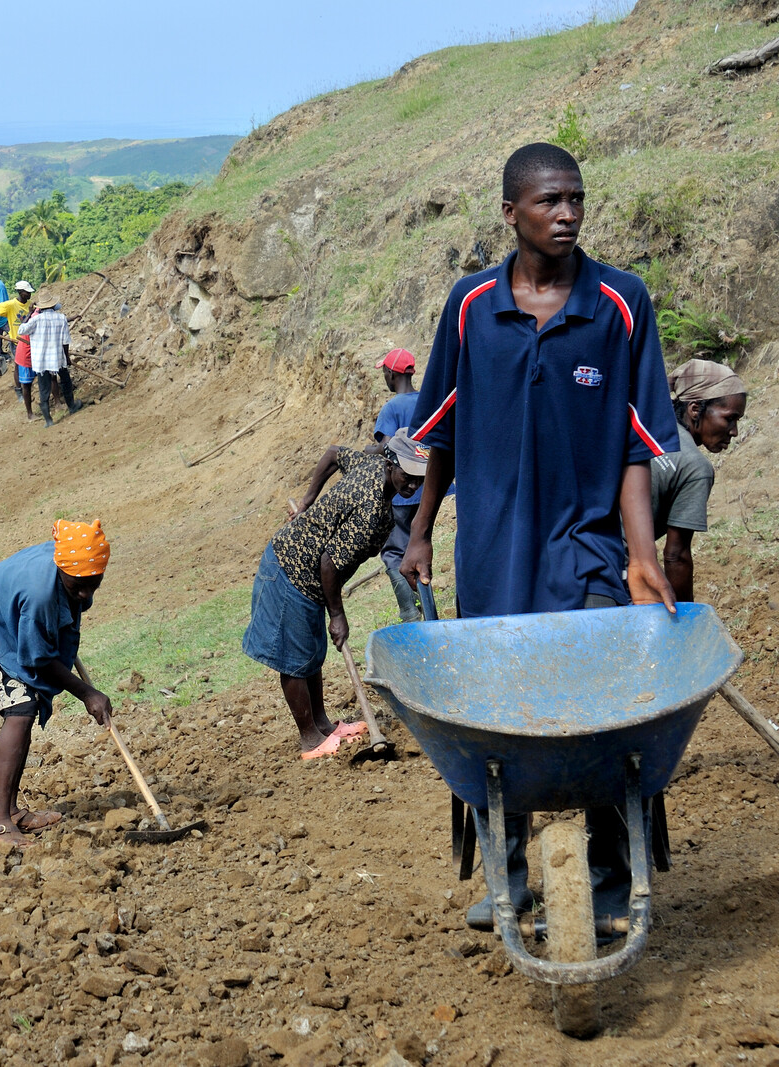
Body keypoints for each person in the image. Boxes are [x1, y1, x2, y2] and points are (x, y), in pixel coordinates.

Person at [400, 142, 680, 932]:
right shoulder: (468, 306)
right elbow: (442, 433)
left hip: (586, 543)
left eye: (577, 199)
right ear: (511, 212)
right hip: (491, 553)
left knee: (603, 712)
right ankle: (511, 877)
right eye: (551, 201)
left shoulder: (621, 303)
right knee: (498, 721)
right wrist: (420, 531)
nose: (568, 214)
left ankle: (613, 874)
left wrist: (643, 556)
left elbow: (635, 445)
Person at [243, 435, 427, 758]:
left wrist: (309, 500)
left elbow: (332, 454)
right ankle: (310, 738)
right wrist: (337, 615)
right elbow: (329, 564)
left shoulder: (372, 467)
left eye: (418, 479)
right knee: (295, 658)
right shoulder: (371, 511)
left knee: (312, 653)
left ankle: (324, 725)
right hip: (291, 569)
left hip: (307, 575)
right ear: (390, 464)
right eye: (407, 477)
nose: (412, 485)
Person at [0, 520, 114, 851]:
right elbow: (37, 659)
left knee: (25, 704)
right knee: (21, 707)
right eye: (79, 586)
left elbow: (56, 630)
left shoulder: (70, 562)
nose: (86, 594)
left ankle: (13, 811)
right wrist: (86, 693)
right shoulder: (37, 592)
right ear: (62, 569)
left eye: (94, 584)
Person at [653, 359, 747, 601]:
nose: (734, 431)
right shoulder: (695, 467)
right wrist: (686, 623)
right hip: (611, 564)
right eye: (730, 418)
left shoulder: (648, 428)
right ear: (695, 409)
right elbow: (676, 555)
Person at [369, 348, 424, 622]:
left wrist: (367, 452)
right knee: (419, 547)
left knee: (393, 551)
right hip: (425, 492)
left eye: (384, 372)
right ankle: (425, 604)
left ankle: (409, 610)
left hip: (401, 494)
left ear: (391, 374)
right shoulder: (427, 401)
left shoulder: (392, 407)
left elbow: (387, 447)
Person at [18, 290, 78, 426]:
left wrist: (28, 314)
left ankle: (48, 420)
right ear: (52, 305)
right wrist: (67, 358)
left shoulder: (35, 319)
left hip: (41, 361)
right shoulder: (61, 318)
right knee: (66, 383)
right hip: (58, 358)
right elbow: (65, 341)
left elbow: (21, 331)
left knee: (44, 389)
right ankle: (72, 407)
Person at [0, 280, 36, 412]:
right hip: (17, 341)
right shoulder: (11, 305)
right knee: (18, 366)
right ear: (21, 292)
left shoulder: (29, 305)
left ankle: (29, 387)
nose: (29, 295)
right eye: (27, 293)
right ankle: (19, 390)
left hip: (29, 340)